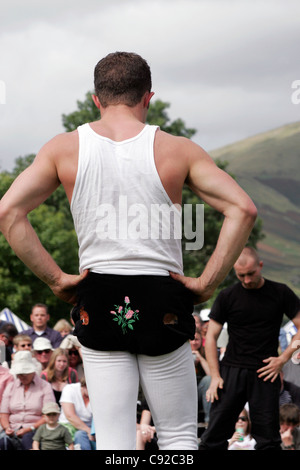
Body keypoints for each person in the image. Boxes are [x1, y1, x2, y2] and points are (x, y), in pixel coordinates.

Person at [0, 51, 257, 450]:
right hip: (163, 296)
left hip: (98, 293)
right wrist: (207, 283)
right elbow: (242, 208)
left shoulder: (63, 149)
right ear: (148, 98)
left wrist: (56, 279)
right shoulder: (178, 150)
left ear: (96, 100)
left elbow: (9, 212)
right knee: (178, 438)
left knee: (115, 440)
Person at [199, 246, 300, 450]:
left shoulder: (280, 293)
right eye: (241, 275)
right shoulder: (228, 296)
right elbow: (211, 337)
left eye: (251, 274)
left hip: (266, 371)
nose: (246, 280)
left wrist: (283, 359)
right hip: (231, 370)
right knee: (214, 436)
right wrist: (215, 376)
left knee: (268, 439)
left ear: (260, 266)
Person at [0, 350, 55, 450]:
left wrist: (30, 428)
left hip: (35, 429)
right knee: (3, 442)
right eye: (19, 373)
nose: (21, 376)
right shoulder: (11, 386)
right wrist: (6, 428)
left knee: (28, 440)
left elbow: (49, 414)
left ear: (32, 371)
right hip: (13, 428)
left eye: (25, 373)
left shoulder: (45, 386)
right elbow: (4, 413)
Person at [59, 377, 95, 450]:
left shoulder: (98, 394)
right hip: (68, 427)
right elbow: (70, 416)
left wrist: (92, 432)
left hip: (90, 430)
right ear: (84, 385)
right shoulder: (70, 389)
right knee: (80, 435)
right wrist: (88, 431)